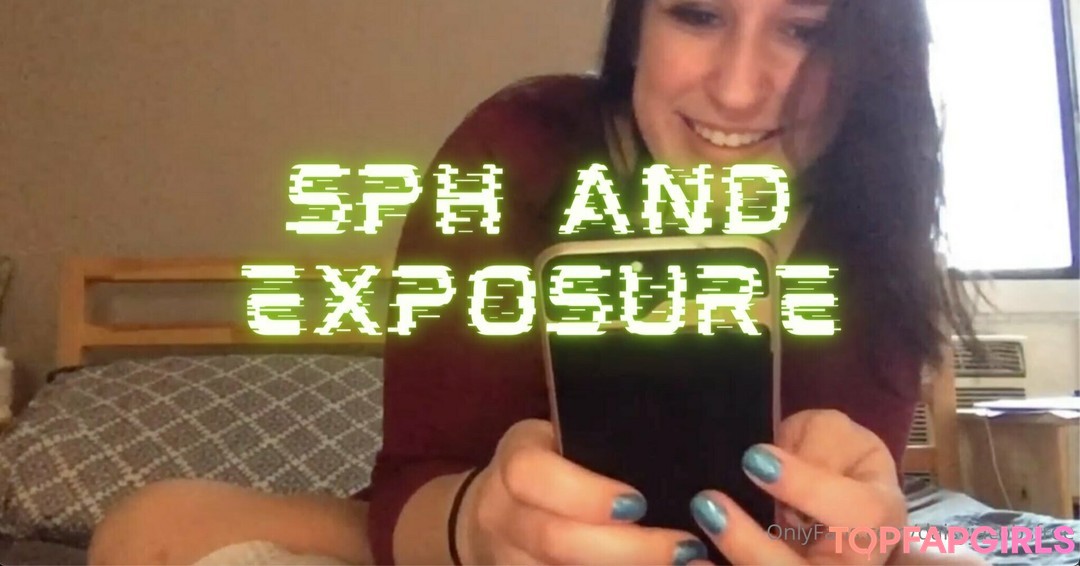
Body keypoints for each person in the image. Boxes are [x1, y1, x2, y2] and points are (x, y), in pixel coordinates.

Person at [366, 0, 986, 565]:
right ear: (635, 23)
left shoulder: (876, 219)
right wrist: (478, 528)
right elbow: (403, 492)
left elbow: (849, 527)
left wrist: (867, 540)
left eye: (805, 31)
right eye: (697, 15)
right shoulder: (513, 156)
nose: (737, 93)